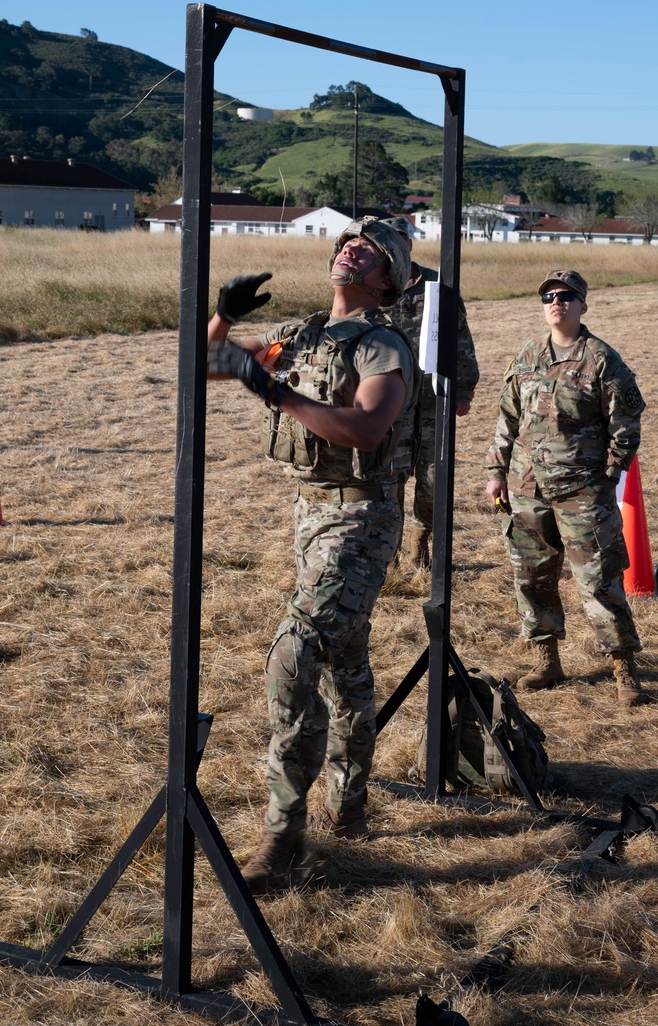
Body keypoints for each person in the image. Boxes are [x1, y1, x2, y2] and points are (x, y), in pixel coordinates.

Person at [206, 218, 419, 893]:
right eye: (346, 242)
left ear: (386, 279)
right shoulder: (299, 334)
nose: (350, 249)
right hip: (311, 517)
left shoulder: (383, 345)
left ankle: (282, 834)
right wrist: (222, 316)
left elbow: (365, 425)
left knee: (296, 652)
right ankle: (351, 805)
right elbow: (209, 362)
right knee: (346, 661)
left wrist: (272, 389)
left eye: (370, 250)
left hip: (362, 517)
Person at [484, 269, 647, 707]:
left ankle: (624, 669)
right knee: (532, 576)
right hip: (526, 487)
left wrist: (609, 477)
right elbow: (507, 421)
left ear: (582, 305)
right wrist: (496, 472)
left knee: (598, 580)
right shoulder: (526, 357)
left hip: (582, 490)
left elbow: (626, 426)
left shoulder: (601, 358)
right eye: (549, 297)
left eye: (566, 296)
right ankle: (547, 661)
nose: (556, 302)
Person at [383, 216, 479, 569]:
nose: (397, 247)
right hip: (387, 403)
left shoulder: (438, 285)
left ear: (409, 244)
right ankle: (386, 557)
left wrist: (464, 387)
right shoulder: (373, 287)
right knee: (388, 477)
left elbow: (460, 337)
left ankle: (421, 551)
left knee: (432, 477)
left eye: (401, 240)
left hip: (432, 400)